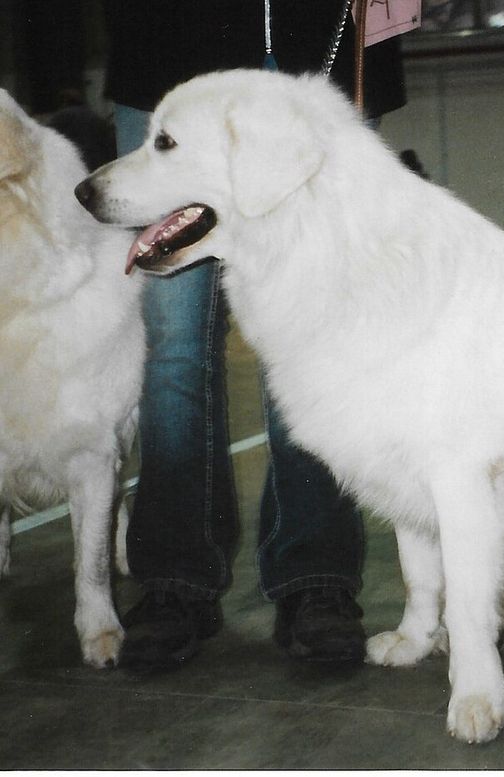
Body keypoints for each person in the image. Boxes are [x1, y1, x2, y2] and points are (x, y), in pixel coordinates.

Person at [102, 0, 406, 671]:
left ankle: (315, 573)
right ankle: (174, 577)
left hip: (321, 51)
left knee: (313, 332)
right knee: (172, 343)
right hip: (170, 53)